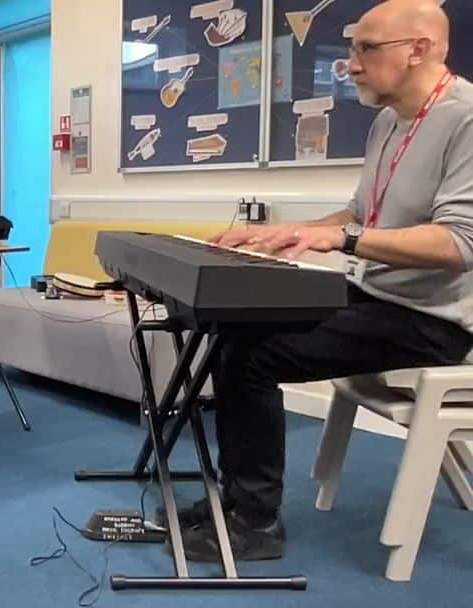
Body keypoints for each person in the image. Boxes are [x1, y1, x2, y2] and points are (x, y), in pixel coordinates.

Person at [173, 0, 473, 562]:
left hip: (432, 321)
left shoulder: (467, 119)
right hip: (376, 295)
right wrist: (292, 232)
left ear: (420, 49)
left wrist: (344, 241)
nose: (350, 63)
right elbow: (361, 215)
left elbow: (459, 244)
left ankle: (255, 525)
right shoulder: (390, 121)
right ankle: (237, 499)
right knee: (235, 331)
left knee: (254, 356)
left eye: (365, 49)